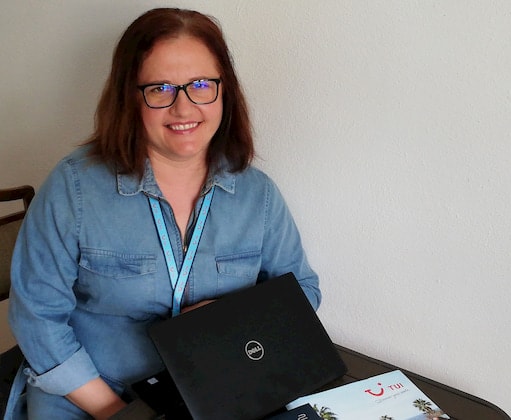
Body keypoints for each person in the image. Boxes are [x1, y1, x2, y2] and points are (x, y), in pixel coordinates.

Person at [5, 8, 320, 420]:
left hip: (220, 391)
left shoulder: (256, 194)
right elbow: (37, 316)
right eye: (160, 89)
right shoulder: (74, 188)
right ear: (130, 96)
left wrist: (229, 319)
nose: (183, 109)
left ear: (224, 91)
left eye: (201, 85)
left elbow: (303, 289)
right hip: (90, 394)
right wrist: (121, 412)